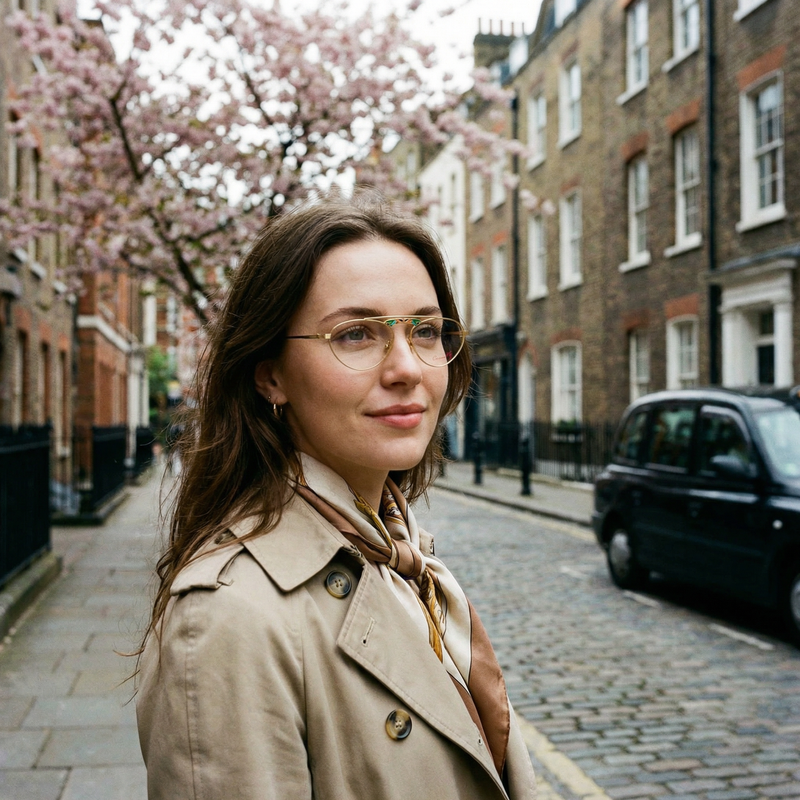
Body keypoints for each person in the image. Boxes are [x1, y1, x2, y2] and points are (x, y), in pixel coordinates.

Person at [135, 196, 537, 800]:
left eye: (425, 330)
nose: (407, 367)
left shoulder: (399, 554)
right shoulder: (227, 618)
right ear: (270, 374)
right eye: (355, 334)